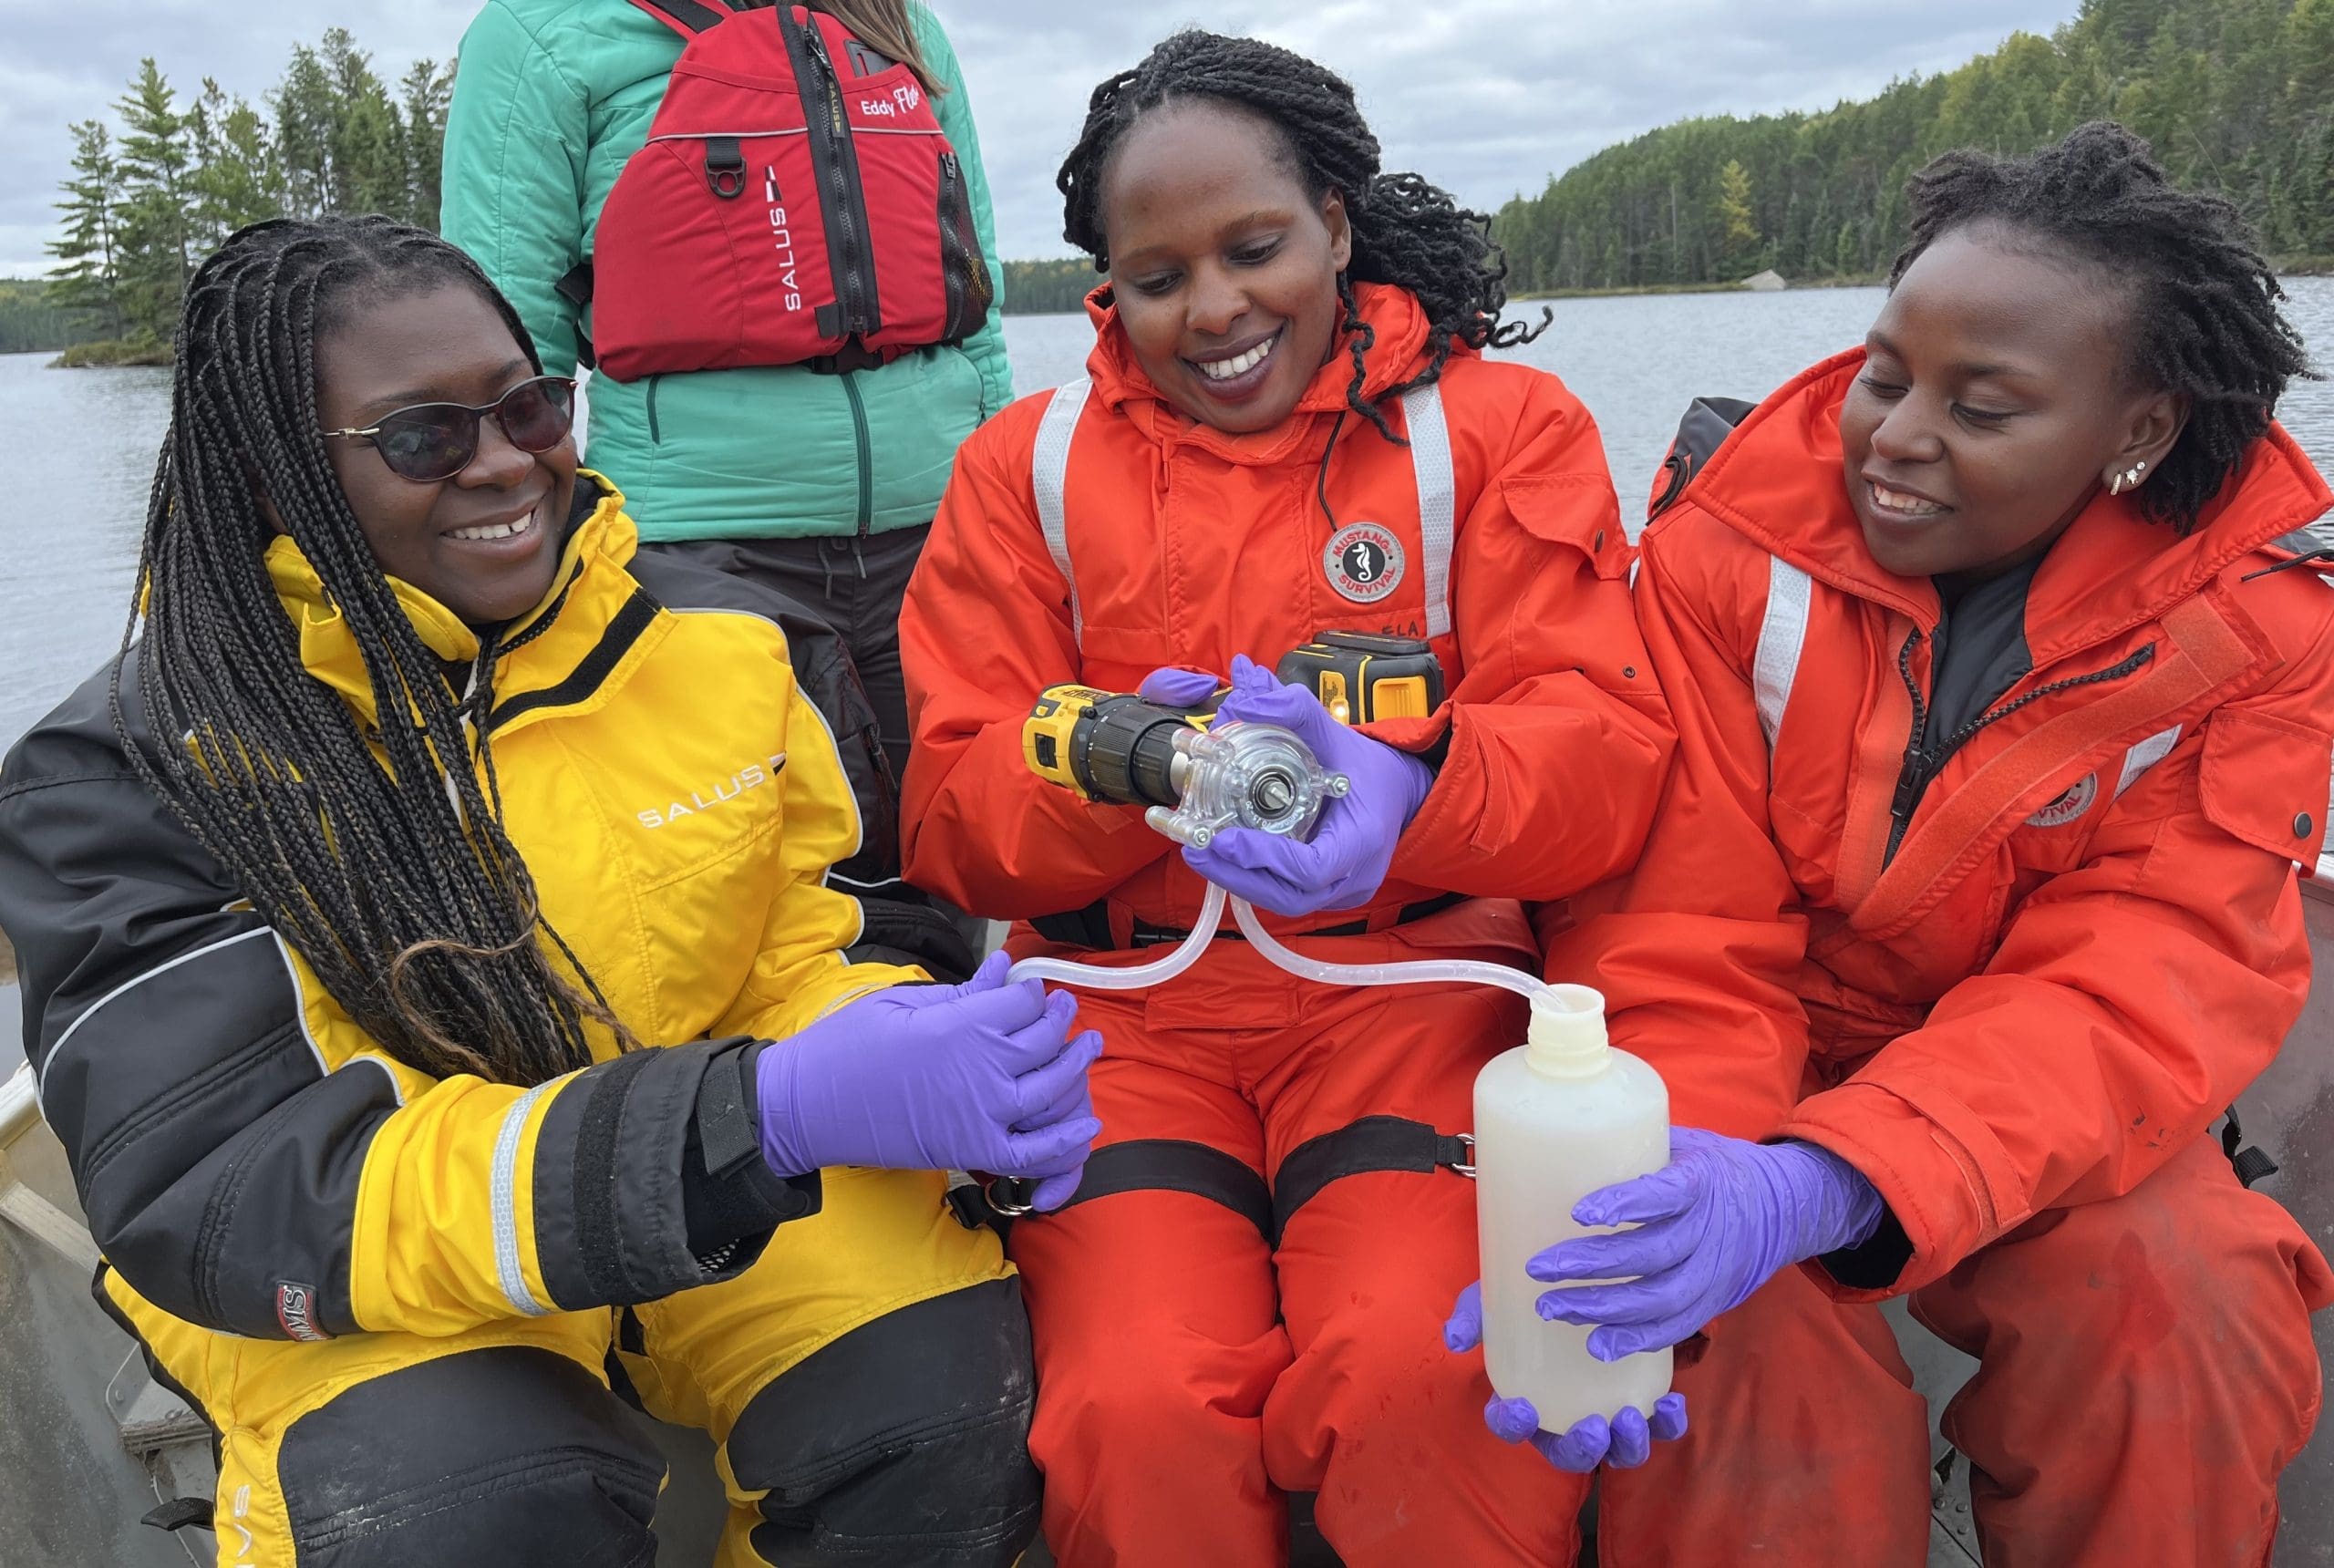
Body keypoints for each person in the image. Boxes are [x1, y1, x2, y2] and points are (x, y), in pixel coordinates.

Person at [0, 216, 1100, 1568]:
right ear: (273, 475)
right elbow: (238, 1188)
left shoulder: (733, 645)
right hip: (380, 1269)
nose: (507, 460)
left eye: (529, 404)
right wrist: (761, 1113)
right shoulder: (123, 769)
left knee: (939, 1397)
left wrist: (936, 1060)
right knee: (464, 1490)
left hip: (716, 1170)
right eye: (424, 438)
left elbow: (812, 940)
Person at [1462, 123, 2333, 1568]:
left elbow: (2149, 974)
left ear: (2141, 431)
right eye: (1883, 374)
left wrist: (1843, 1180)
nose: (1896, 438)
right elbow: (1675, 919)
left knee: (2182, 1301)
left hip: (2056, 1090)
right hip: (1746, 1055)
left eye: (1983, 409)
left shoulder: (2264, 631)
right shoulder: (1724, 543)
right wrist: (1719, 1174)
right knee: (1730, 1367)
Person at [894, 31, 1702, 1565]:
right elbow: (948, 815)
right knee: (1134, 1403)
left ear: (1336, 221)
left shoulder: (1499, 439)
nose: (1214, 308)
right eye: (1155, 275)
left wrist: (1413, 791)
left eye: (1254, 247)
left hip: (1414, 994)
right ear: (1103, 295)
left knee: (1427, 1361)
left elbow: (1604, 756)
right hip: (1123, 1017)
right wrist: (1130, 770)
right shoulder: (1026, 473)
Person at [442, 0, 1010, 950]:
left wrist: (1001, 511)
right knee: (772, 913)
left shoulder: (896, 20)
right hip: (706, 559)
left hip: (936, 545)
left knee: (953, 874)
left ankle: (954, 1075)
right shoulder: (541, 32)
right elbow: (502, 353)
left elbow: (977, 294)